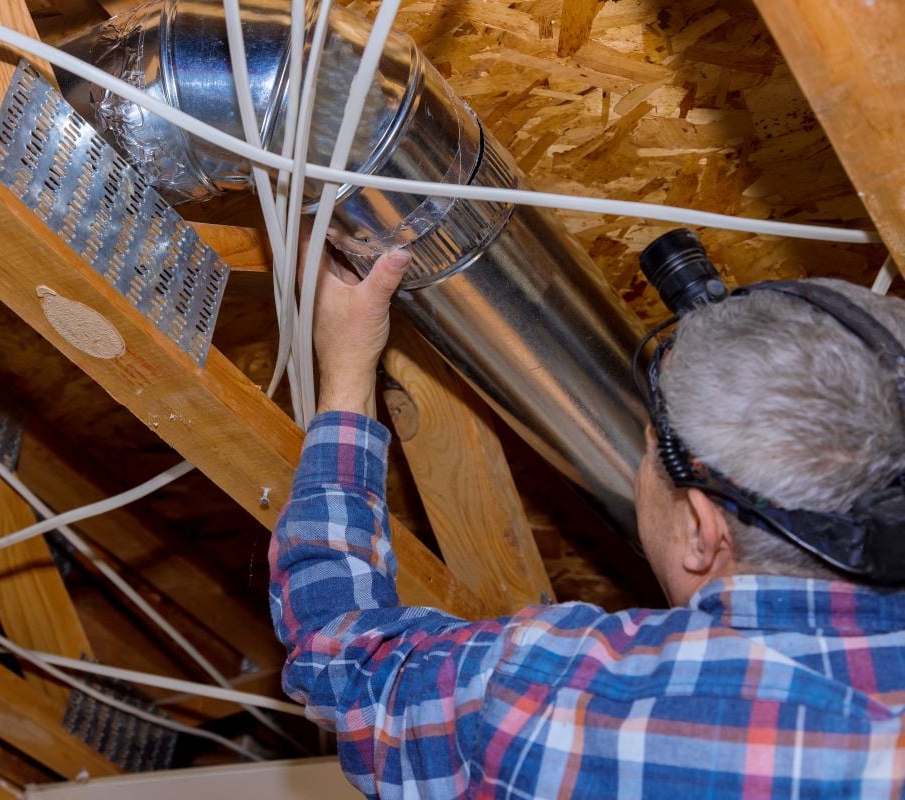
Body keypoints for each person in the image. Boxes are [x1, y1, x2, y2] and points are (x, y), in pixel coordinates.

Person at [269, 246, 905, 798]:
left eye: (649, 452)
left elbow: (341, 661)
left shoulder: (572, 711)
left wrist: (347, 368)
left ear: (704, 532)